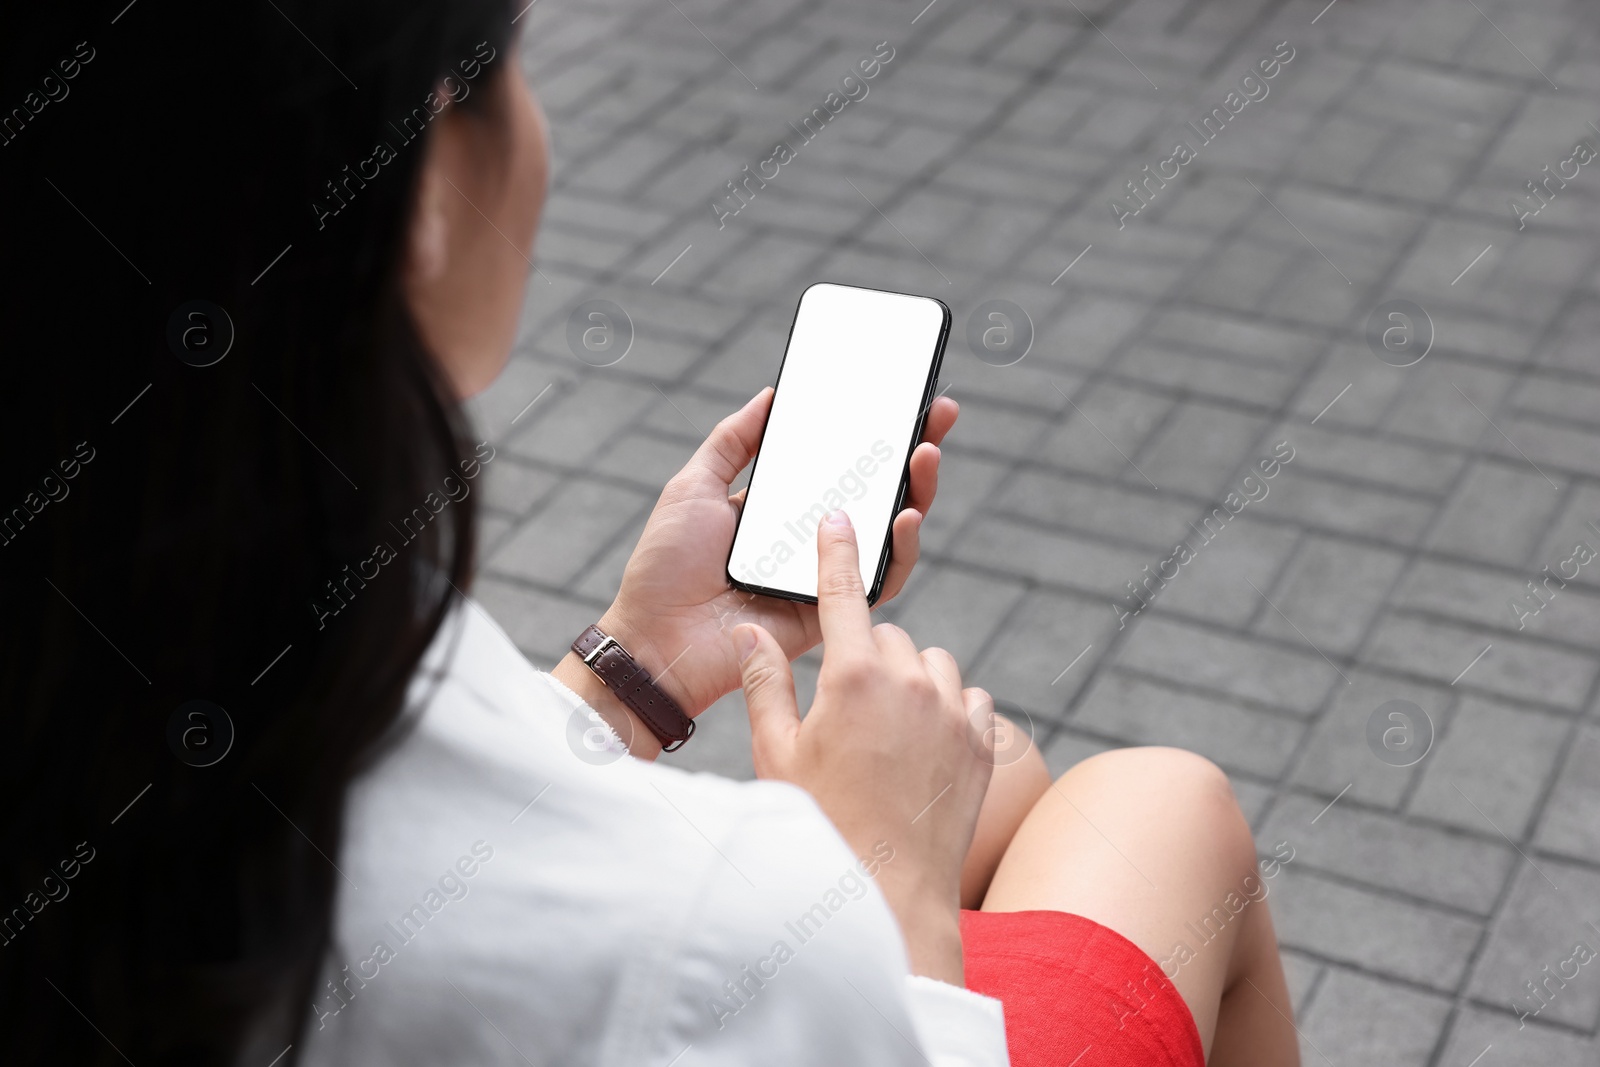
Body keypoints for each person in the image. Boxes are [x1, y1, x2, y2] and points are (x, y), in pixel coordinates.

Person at [0, 1, 1300, 1064]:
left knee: (994, 773)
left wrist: (635, 664)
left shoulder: (118, 639)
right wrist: (868, 888)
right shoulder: (699, 940)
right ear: (434, 184)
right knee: (1165, 803)